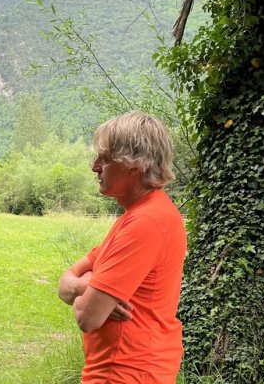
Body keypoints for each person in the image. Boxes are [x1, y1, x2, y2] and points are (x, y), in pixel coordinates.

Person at [58, 111, 186, 383]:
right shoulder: (135, 218)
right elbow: (64, 284)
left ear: (135, 165)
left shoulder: (147, 223)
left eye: (105, 159)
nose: (95, 167)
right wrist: (86, 287)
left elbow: (88, 316)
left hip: (125, 373)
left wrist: (88, 288)